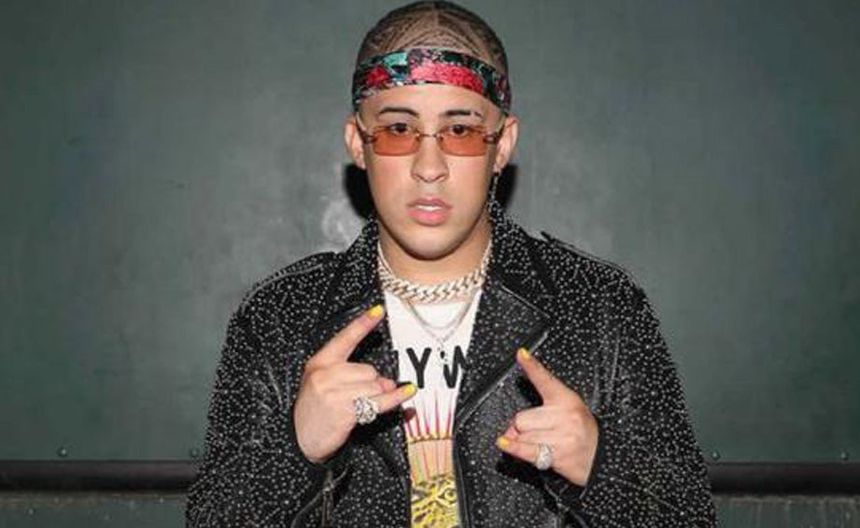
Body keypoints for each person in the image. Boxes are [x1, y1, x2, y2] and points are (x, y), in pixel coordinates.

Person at [186, 1, 717, 526]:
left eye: (460, 130)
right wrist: (296, 450)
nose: (429, 166)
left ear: (502, 144)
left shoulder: (599, 307)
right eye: (398, 129)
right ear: (358, 143)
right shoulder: (280, 316)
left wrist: (599, 470)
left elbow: (690, 516)